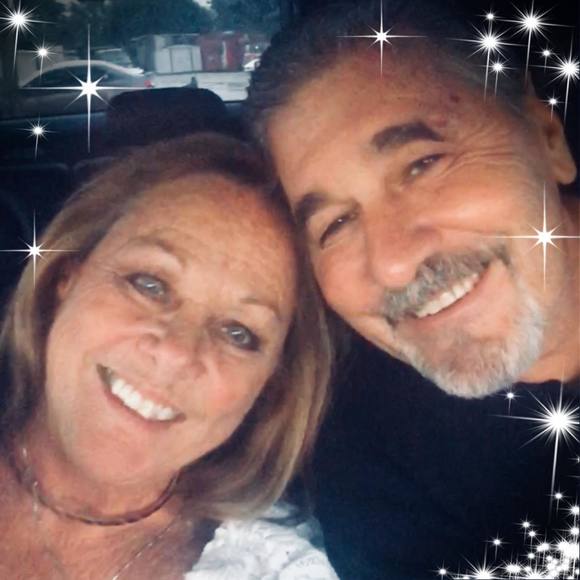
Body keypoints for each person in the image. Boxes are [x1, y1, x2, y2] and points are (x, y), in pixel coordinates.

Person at [245, 1, 580, 578]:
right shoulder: (376, 475)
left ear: (548, 138)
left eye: (422, 164)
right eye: (335, 225)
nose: (394, 264)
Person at [0, 132, 338, 579]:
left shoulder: (276, 567)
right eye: (150, 284)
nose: (177, 352)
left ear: (270, 385)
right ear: (67, 278)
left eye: (238, 333)